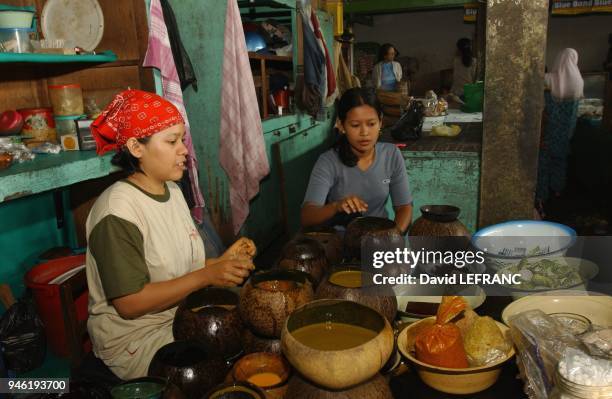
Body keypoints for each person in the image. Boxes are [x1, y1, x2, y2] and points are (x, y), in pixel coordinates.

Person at [85, 89, 256, 380]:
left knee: (254, 334)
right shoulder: (117, 212)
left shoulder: (172, 190)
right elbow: (130, 303)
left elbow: (176, 270)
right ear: (136, 147)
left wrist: (221, 264)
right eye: (171, 141)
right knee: (228, 366)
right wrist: (206, 277)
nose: (184, 150)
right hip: (136, 340)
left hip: (178, 317)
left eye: (182, 139)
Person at [301, 88, 413, 233]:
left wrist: (393, 237)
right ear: (341, 126)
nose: (364, 133)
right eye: (355, 125)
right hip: (342, 243)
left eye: (371, 124)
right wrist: (336, 207)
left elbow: (404, 207)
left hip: (381, 237)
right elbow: (307, 216)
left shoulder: (391, 155)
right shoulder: (328, 161)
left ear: (380, 122)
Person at [536, 48, 584, 213]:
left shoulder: (549, 80)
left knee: (543, 163)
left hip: (549, 130)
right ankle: (557, 190)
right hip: (565, 132)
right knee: (560, 161)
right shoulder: (578, 81)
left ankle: (541, 196)